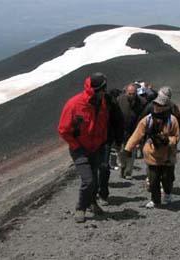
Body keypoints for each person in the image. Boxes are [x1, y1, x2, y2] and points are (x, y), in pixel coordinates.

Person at [58, 72, 110, 223]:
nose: (105, 92)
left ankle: (92, 203)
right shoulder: (74, 104)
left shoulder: (102, 103)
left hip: (96, 148)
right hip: (79, 149)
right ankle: (80, 208)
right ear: (95, 90)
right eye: (103, 89)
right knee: (88, 180)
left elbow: (102, 124)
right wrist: (76, 146)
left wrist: (103, 141)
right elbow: (63, 129)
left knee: (94, 178)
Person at [123, 93, 180, 208]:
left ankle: (168, 193)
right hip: (152, 155)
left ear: (166, 107)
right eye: (155, 104)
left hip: (168, 156)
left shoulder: (172, 121)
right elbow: (137, 135)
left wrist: (168, 140)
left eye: (159, 104)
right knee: (153, 180)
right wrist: (128, 149)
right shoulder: (147, 120)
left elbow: (176, 136)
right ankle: (155, 200)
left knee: (167, 179)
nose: (156, 106)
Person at [97, 88, 124, 206]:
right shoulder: (86, 101)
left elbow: (118, 121)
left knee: (103, 166)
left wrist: (118, 140)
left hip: (105, 138)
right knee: (92, 168)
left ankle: (102, 194)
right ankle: (91, 195)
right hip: (89, 139)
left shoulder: (110, 101)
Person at [117, 83, 147, 179]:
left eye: (133, 93)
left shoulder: (142, 102)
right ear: (126, 92)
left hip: (135, 130)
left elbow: (144, 117)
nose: (131, 95)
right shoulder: (119, 100)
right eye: (129, 93)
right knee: (121, 151)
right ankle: (122, 166)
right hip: (121, 130)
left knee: (132, 151)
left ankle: (128, 172)